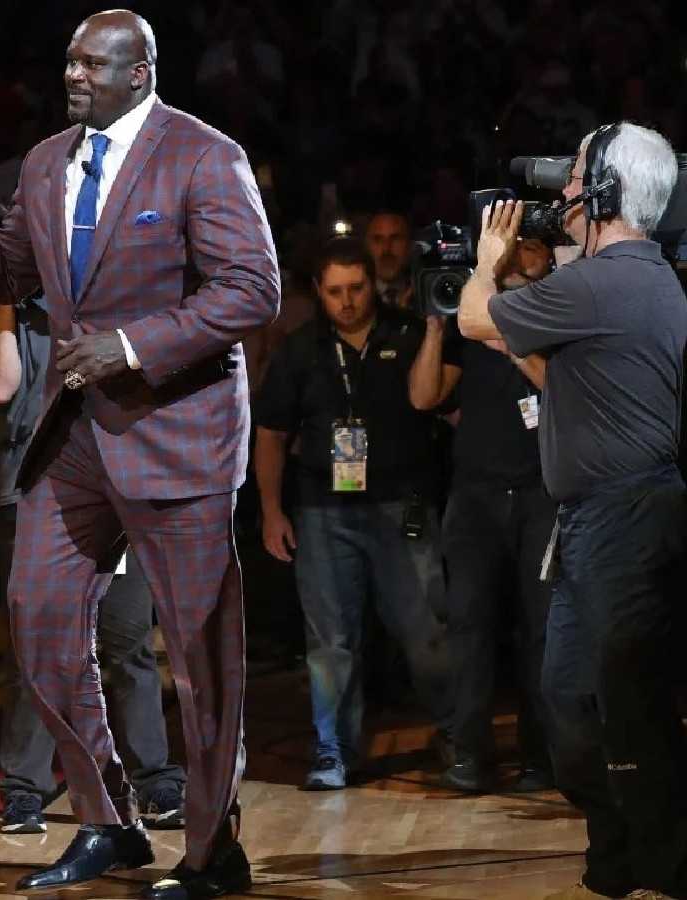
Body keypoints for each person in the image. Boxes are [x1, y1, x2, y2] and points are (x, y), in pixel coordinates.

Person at [0, 11, 279, 897]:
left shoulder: (205, 155)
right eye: (70, 60)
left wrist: (131, 346)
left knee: (200, 661)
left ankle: (210, 849)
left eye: (92, 62)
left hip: (176, 436)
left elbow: (252, 290)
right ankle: (107, 822)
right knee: (38, 623)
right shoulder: (47, 161)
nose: (73, 74)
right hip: (73, 439)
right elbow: (6, 270)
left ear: (141, 71)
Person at [458, 122, 687, 899]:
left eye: (577, 175)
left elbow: (469, 317)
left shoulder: (605, 280)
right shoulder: (626, 279)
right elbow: (567, 386)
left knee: (627, 714)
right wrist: (518, 334)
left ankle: (657, 866)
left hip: (623, 524)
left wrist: (487, 264)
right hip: (598, 524)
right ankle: (623, 851)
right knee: (572, 702)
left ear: (610, 191)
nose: (561, 191)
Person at [0, 291, 186, 835]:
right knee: (39, 648)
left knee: (127, 641)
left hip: (118, 490)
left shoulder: (122, 295)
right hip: (34, 492)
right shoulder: (17, 312)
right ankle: (25, 788)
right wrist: (2, 297)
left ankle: (155, 779)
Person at [253, 237, 452, 791]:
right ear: (318, 291)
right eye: (335, 291)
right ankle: (332, 750)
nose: (347, 301)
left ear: (371, 283)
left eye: (356, 289)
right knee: (330, 642)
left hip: (401, 502)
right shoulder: (300, 348)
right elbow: (270, 435)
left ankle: (455, 731)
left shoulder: (408, 333)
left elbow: (439, 403)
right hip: (322, 510)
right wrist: (271, 509)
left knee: (426, 630)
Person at [410, 238, 557, 794]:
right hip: (474, 498)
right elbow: (424, 397)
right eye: (511, 248)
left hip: (543, 494)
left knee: (540, 632)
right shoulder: (467, 320)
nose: (521, 257)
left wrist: (511, 343)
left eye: (532, 247)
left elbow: (559, 387)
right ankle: (470, 756)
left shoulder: (558, 309)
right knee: (470, 629)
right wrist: (435, 324)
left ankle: (541, 758)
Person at [364, 210, 413, 309]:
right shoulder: (355, 297)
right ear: (367, 246)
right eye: (378, 239)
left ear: (409, 245)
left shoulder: (425, 295)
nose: (386, 249)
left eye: (395, 238)